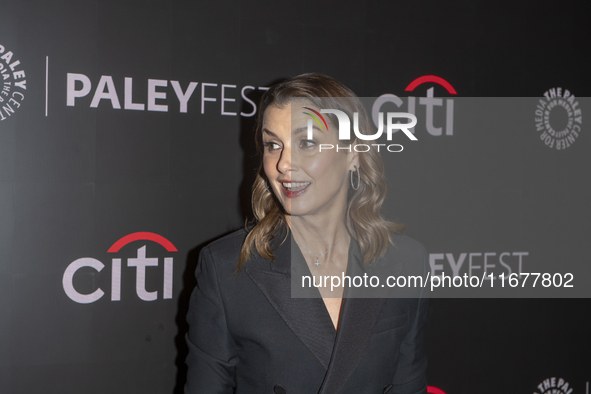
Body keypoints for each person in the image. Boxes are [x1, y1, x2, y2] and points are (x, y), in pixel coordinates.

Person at [184, 73, 429, 394]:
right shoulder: (227, 268)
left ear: (353, 154)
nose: (284, 163)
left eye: (307, 142)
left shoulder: (406, 261)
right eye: (273, 145)